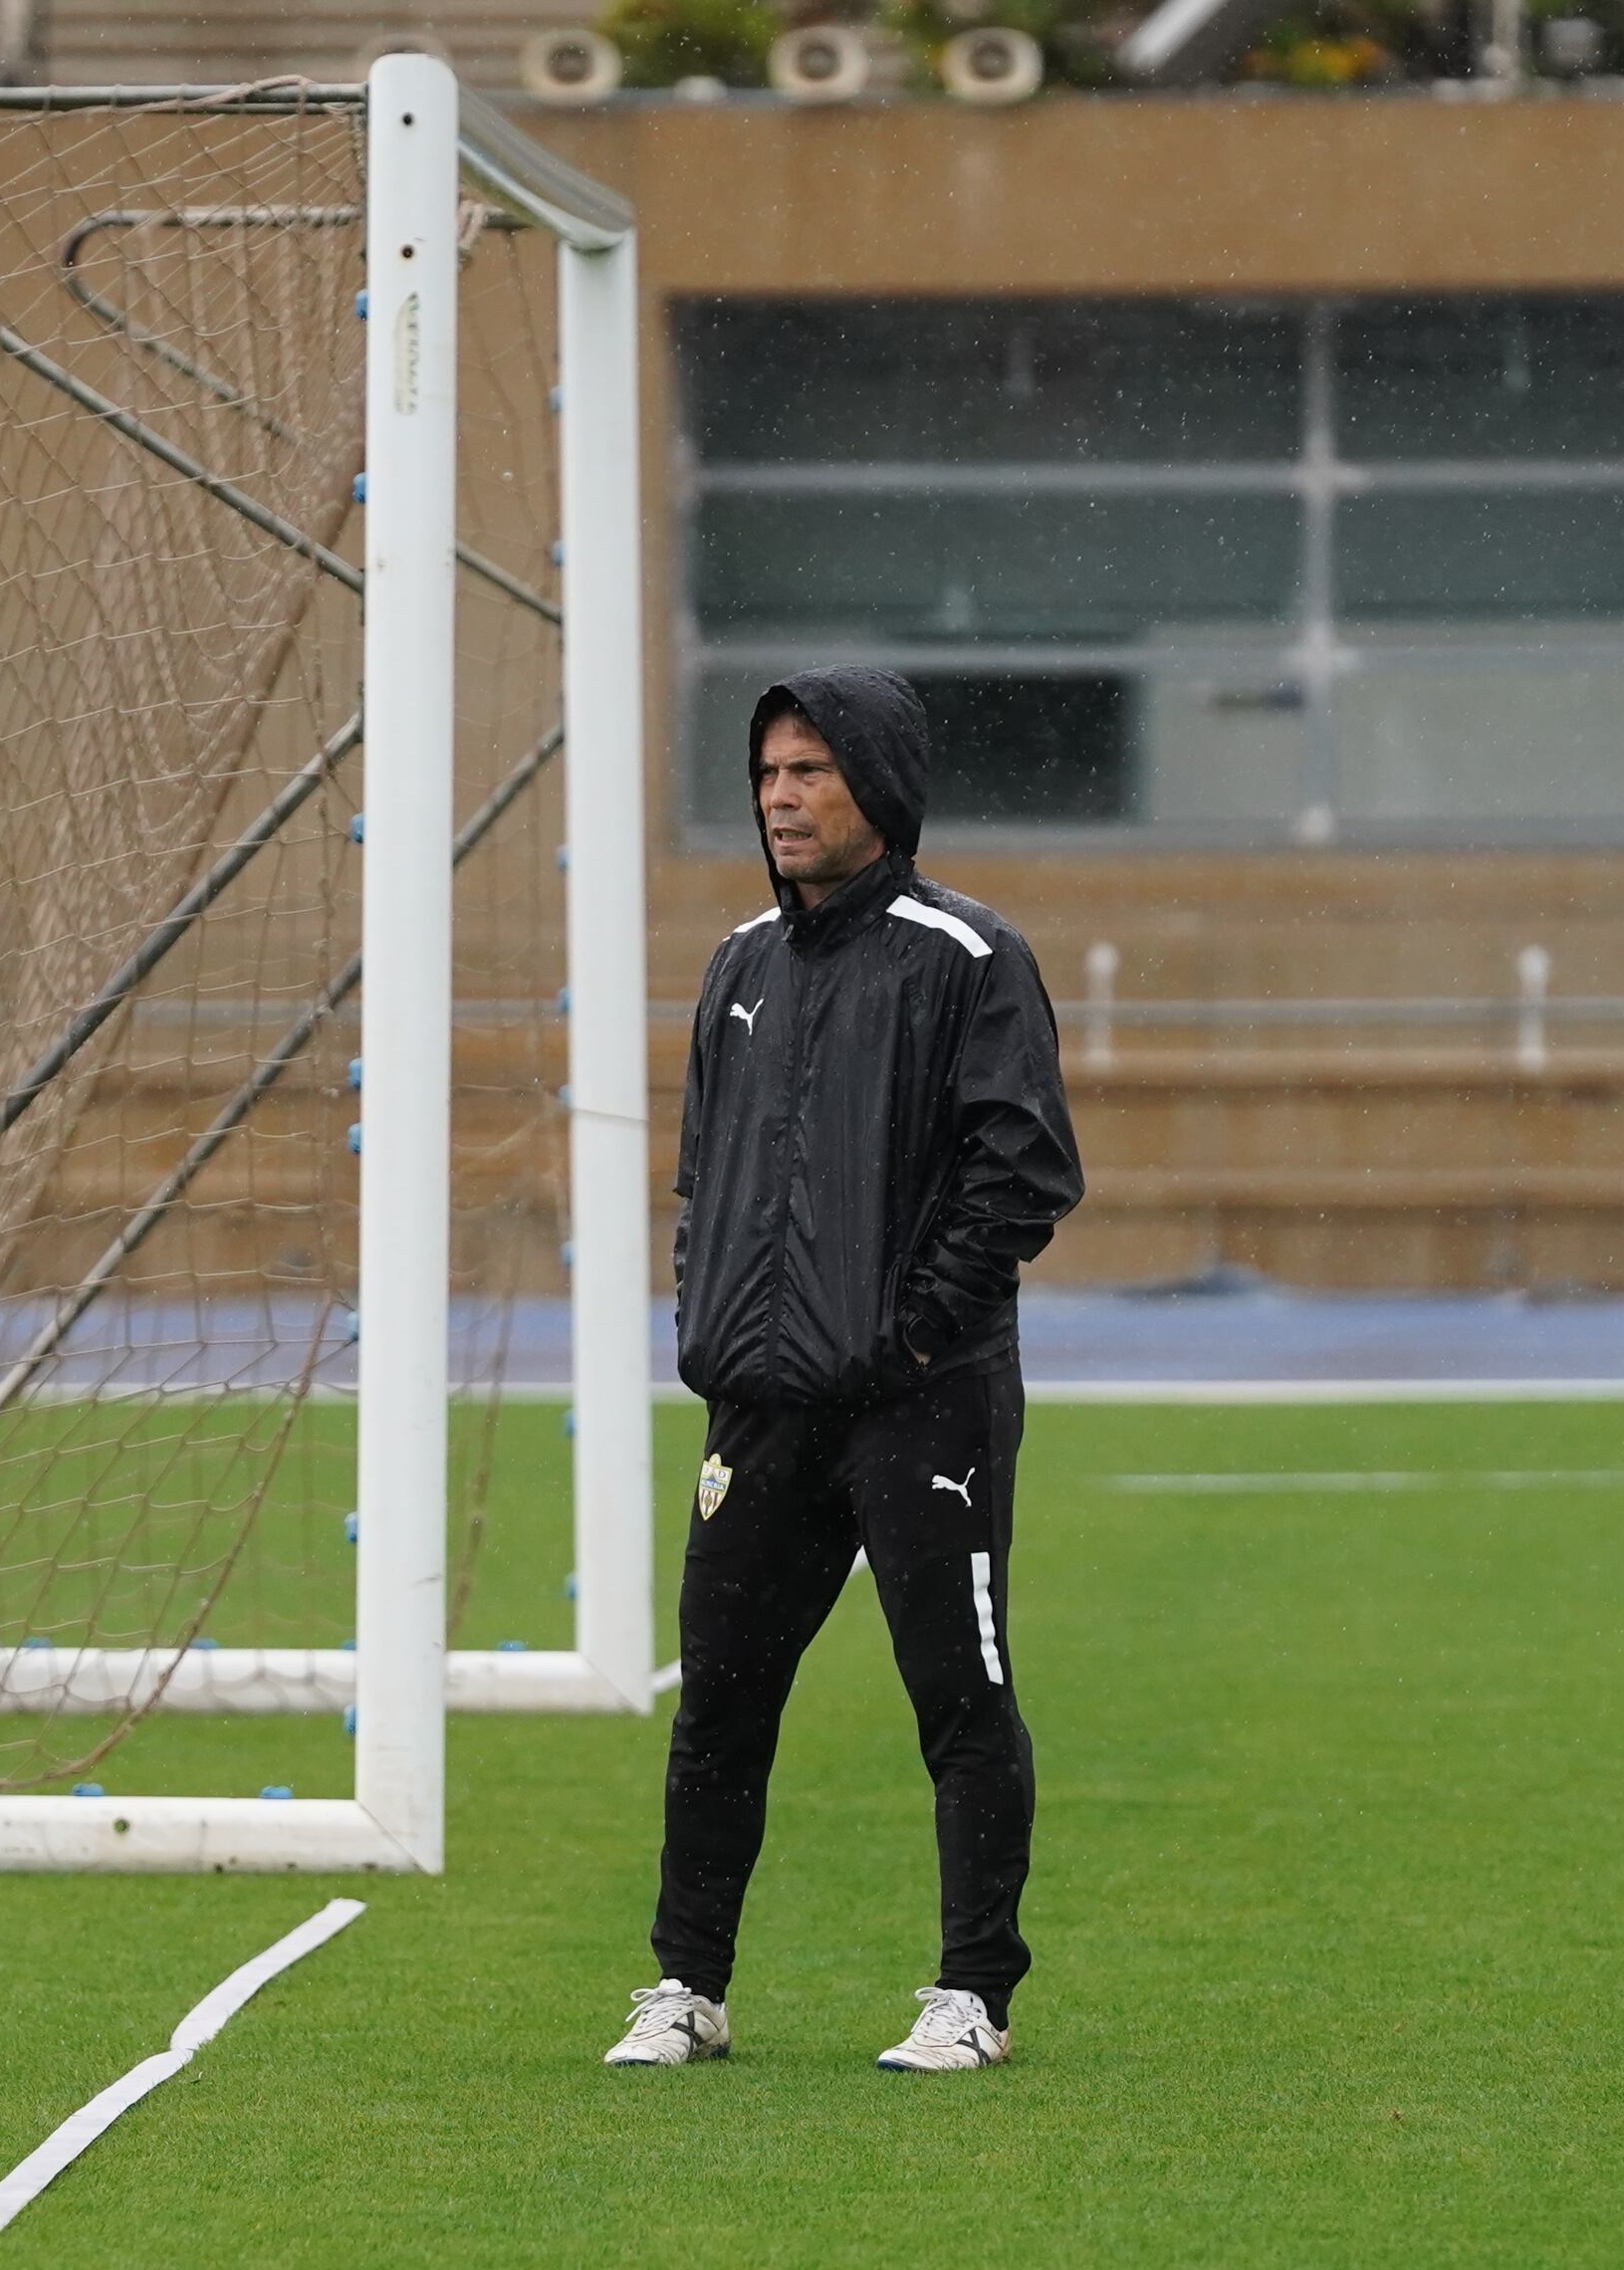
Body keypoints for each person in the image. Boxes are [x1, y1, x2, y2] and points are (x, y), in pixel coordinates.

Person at [603, 667, 1082, 2076]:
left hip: (919, 1400)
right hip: (759, 1409)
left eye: (809, 771)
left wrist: (913, 1334)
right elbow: (706, 1177)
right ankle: (686, 1987)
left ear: (877, 782)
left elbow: (1026, 1175)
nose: (781, 797)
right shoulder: (739, 962)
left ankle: (971, 1995)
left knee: (959, 1693)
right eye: (766, 774)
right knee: (719, 1709)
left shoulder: (968, 956)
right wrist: (720, 1328)